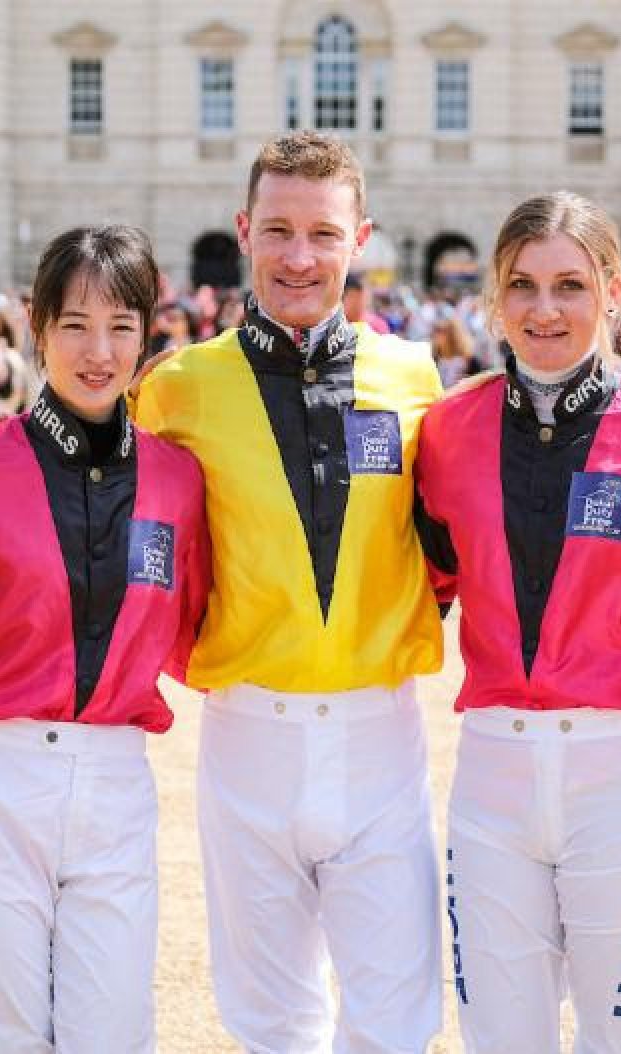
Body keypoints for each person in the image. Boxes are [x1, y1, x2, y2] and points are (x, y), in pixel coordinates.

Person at [131, 132, 446, 1052]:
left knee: (395, 1017)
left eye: (321, 233)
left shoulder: (414, 378)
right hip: (246, 735)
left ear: (361, 240)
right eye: (277, 231)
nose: (299, 257)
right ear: (244, 232)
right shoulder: (178, 388)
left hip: (380, 734)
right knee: (269, 1019)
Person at [414, 192, 621, 1052]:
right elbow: (422, 582)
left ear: (612, 292)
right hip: (494, 772)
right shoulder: (445, 431)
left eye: (570, 285)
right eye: (523, 285)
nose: (545, 310)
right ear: (494, 300)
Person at [0, 225, 210, 1053]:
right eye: (75, 324)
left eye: (122, 326)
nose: (99, 350)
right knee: (3, 1036)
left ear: (148, 335)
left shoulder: (179, 480)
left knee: (113, 1034)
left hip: (116, 786)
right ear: (36, 329)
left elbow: (196, 632)